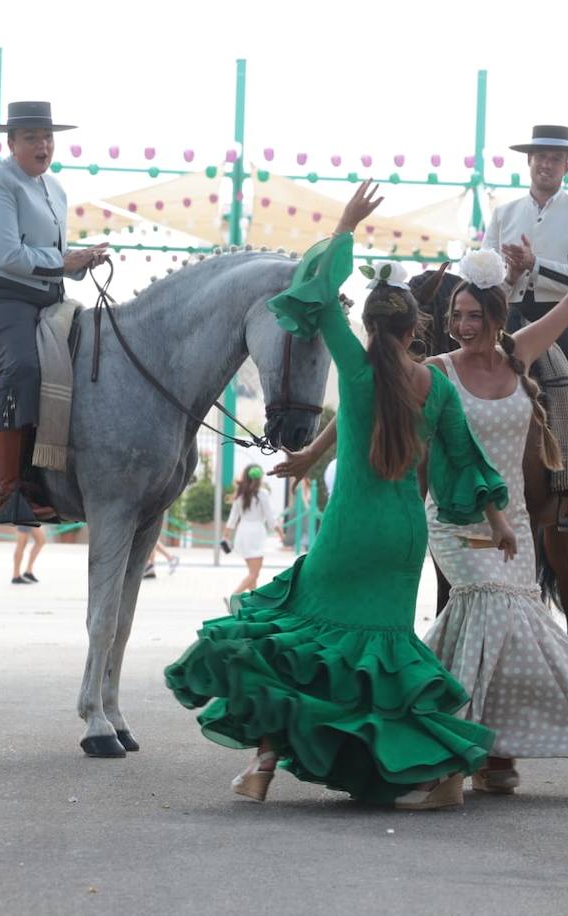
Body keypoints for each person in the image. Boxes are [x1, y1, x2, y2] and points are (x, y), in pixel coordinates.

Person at [166, 182, 514, 811]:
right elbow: (466, 457)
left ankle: (264, 765)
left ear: (368, 325)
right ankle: (443, 773)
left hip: (349, 532)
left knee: (296, 648)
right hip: (405, 538)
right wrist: (498, 518)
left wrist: (347, 225)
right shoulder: (436, 387)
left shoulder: (355, 372)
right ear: (417, 330)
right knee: (382, 659)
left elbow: (314, 292)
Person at [422, 230, 568, 794]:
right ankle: (449, 746)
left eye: (473, 315)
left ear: (497, 318)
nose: (462, 325)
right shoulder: (437, 369)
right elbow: (375, 394)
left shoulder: (520, 353)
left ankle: (496, 752)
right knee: (490, 610)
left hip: (516, 519)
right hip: (455, 517)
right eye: (457, 314)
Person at [0, 101, 109, 526]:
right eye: (31, 138)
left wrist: (79, 263)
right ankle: (10, 492)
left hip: (46, 297)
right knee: (22, 369)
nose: (43, 145)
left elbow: (52, 259)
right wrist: (66, 261)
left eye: (48, 137)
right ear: (10, 142)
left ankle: (51, 474)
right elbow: (7, 255)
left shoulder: (56, 189)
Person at [486, 125, 568, 529]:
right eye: (541, 158)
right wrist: (513, 272)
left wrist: (535, 264)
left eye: (555, 159)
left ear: (567, 166)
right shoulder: (503, 214)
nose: (547, 165)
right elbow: (487, 276)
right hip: (509, 312)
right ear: (529, 162)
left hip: (560, 315)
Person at [223, 464, 277, 595]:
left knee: (252, 575)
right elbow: (270, 518)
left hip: (242, 534)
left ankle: (252, 604)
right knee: (254, 574)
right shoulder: (262, 494)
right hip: (256, 535)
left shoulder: (240, 495)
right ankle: (234, 596)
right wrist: (280, 533)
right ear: (260, 477)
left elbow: (232, 519)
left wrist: (225, 536)